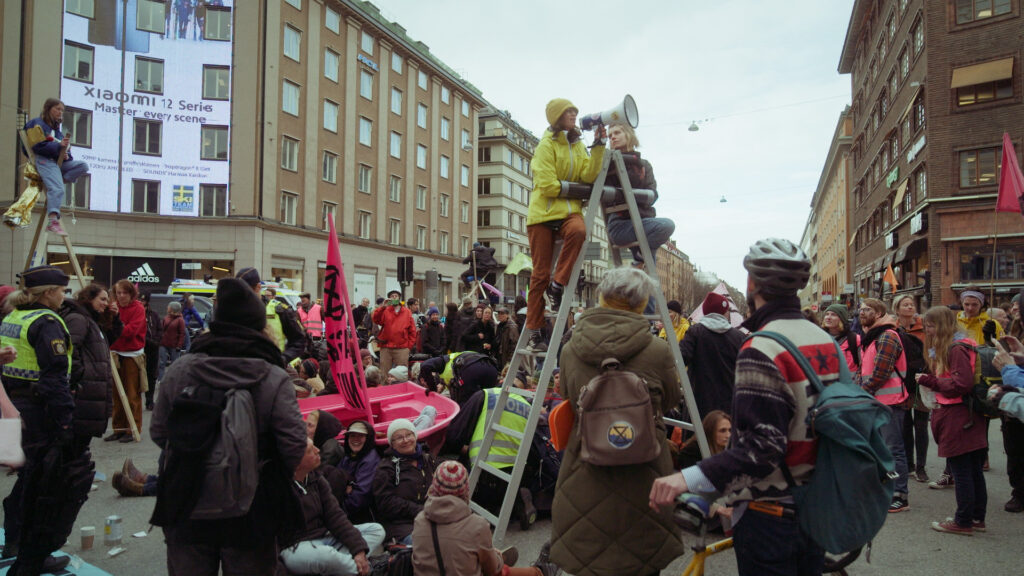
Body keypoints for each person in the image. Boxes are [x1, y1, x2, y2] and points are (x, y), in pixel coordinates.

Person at [650, 238, 837, 576]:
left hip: (771, 516)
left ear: (751, 284)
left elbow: (763, 449)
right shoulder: (823, 339)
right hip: (817, 508)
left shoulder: (763, 346)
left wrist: (687, 478)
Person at [150, 277, 307, 576]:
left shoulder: (182, 368)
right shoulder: (272, 375)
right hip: (252, 507)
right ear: (259, 325)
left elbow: (159, 432)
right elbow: (294, 445)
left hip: (186, 498)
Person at [551, 267, 683, 576]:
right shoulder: (658, 350)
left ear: (601, 297)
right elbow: (671, 400)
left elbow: (567, 396)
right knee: (644, 561)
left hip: (586, 470)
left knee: (590, 560)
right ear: (642, 304)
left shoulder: (571, 350)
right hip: (645, 474)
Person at [0, 267, 89, 574]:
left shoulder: (14, 316)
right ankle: (30, 558)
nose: (64, 296)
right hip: (40, 413)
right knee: (44, 487)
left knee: (26, 481)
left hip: (14, 407)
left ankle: (18, 544)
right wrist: (65, 421)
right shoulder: (46, 322)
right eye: (62, 291)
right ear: (49, 292)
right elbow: (54, 377)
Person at [525, 98, 605, 351]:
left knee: (580, 231)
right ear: (557, 116)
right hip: (543, 216)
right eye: (569, 111)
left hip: (569, 213)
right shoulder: (545, 146)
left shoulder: (578, 144)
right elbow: (547, 185)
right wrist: (575, 191)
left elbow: (589, 175)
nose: (574, 115)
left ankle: (558, 284)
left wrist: (598, 146)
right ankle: (536, 331)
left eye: (575, 111)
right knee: (539, 275)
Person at [412, 460, 558, 576]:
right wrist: (496, 557)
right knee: (499, 570)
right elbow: (493, 570)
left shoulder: (419, 520)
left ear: (434, 487)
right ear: (465, 490)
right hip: (483, 564)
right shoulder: (476, 525)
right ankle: (541, 572)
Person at [916, 306, 988, 535]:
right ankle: (976, 518)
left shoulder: (955, 349)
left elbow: (961, 384)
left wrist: (930, 381)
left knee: (962, 470)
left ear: (941, 325)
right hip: (968, 415)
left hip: (958, 416)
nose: (927, 330)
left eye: (930, 325)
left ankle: (963, 521)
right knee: (973, 470)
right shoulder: (963, 344)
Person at [279, 437, 384, 576]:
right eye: (311, 450)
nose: (318, 451)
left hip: (325, 537)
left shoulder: (316, 479)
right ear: (296, 461)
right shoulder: (278, 487)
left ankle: (345, 567)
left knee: (376, 530)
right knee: (326, 556)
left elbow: (335, 516)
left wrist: (358, 549)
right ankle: (368, 570)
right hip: (295, 547)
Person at [857, 298, 911, 512]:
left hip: (889, 403)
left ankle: (900, 495)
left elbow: (881, 373)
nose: (862, 313)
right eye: (861, 310)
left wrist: (861, 392)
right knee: (880, 450)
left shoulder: (887, 336)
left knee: (893, 450)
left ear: (879, 314)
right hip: (877, 402)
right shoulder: (872, 337)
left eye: (867, 310)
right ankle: (885, 490)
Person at [602, 122, 675, 266]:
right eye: (610, 135)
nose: (612, 138)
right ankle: (640, 260)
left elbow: (653, 196)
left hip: (642, 222)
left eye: (617, 133)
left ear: (628, 135)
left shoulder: (644, 165)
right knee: (667, 225)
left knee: (647, 277)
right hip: (620, 225)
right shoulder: (607, 163)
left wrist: (629, 195)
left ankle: (639, 262)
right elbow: (646, 196)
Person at [23, 98, 90, 236]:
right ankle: (52, 220)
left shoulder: (57, 132)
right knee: (57, 188)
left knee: (83, 166)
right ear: (48, 109)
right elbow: (36, 146)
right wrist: (58, 147)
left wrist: (66, 155)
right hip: (44, 160)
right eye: (57, 109)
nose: (60, 112)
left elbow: (65, 151)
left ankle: (58, 179)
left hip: (57, 162)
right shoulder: (36, 124)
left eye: (62, 110)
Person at [680, 292, 745, 418]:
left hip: (698, 408)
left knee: (696, 438)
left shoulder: (695, 332)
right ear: (724, 312)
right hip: (729, 410)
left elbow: (680, 360)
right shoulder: (739, 337)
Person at [372, 418, 437, 544]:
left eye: (409, 435)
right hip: (402, 525)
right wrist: (421, 510)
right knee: (429, 544)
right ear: (392, 443)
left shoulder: (428, 459)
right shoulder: (386, 468)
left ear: (415, 436)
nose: (406, 440)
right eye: (399, 438)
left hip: (432, 515)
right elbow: (386, 503)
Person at [892, 294, 930, 483]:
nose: (909, 307)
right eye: (905, 305)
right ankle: (909, 464)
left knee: (921, 425)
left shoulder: (924, 327)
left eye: (911, 304)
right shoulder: (892, 329)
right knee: (905, 425)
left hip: (921, 381)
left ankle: (921, 467)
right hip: (901, 383)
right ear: (897, 309)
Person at [106, 279, 147, 443]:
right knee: (116, 396)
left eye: (125, 292)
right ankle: (118, 429)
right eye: (118, 293)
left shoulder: (138, 308)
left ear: (131, 294)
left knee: (131, 394)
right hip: (115, 352)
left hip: (132, 354)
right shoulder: (113, 307)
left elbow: (130, 331)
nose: (121, 296)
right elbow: (106, 326)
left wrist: (116, 323)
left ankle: (132, 429)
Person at [338, 420, 381, 525]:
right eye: (352, 435)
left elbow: (359, 497)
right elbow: (335, 481)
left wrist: (334, 513)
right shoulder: (348, 457)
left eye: (360, 436)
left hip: (365, 518)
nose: (355, 439)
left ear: (368, 438)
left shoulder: (370, 460)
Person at [372, 290, 417, 377]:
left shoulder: (407, 311)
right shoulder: (385, 310)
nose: (394, 297)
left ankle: (402, 389)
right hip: (386, 347)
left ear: (399, 298)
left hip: (402, 348)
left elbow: (412, 330)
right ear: (389, 298)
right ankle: (385, 389)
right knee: (384, 373)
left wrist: (409, 346)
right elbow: (376, 319)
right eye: (392, 296)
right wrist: (382, 307)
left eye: (396, 295)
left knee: (402, 374)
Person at [821, 303, 861, 373]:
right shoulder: (819, 338)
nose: (828, 317)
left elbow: (862, 365)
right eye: (827, 314)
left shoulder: (854, 339)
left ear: (841, 319)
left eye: (833, 315)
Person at [140, 292, 164, 411]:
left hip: (153, 350)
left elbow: (160, 329)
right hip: (140, 348)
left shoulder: (153, 315)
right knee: (138, 375)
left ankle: (149, 400)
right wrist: (148, 341)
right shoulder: (137, 314)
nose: (142, 303)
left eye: (144, 301)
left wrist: (157, 341)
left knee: (151, 375)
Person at [159, 301, 186, 384]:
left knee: (174, 364)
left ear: (172, 309)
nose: (167, 308)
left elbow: (182, 334)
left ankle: (173, 380)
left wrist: (179, 345)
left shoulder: (180, 320)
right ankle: (161, 379)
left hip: (174, 345)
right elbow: (161, 330)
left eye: (168, 307)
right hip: (163, 344)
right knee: (161, 362)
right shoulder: (166, 318)